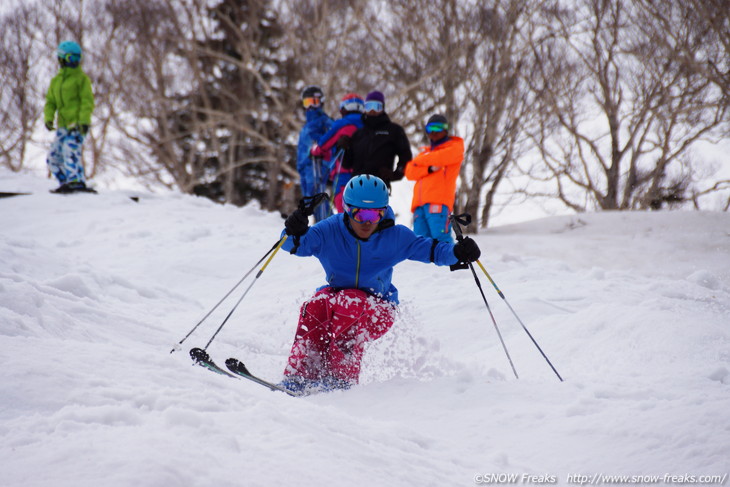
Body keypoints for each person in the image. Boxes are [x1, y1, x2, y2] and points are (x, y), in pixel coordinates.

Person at [279, 174, 481, 394]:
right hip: (337, 299)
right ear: (347, 209)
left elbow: (432, 250)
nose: (368, 221)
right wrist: (293, 230)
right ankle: (301, 375)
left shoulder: (394, 236)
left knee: (350, 301)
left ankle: (340, 381)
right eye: (361, 213)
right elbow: (295, 245)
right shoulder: (330, 230)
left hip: (378, 310)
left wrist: (457, 252)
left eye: (376, 214)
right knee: (318, 303)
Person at [44, 40, 95, 193]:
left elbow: (87, 102)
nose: (75, 62)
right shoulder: (56, 81)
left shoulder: (82, 79)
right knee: (53, 158)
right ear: (61, 59)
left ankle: (76, 181)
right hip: (62, 125)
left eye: (77, 59)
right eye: (71, 58)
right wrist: (49, 118)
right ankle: (65, 182)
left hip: (78, 124)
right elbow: (50, 102)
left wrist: (84, 121)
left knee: (69, 150)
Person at [405, 114, 464, 243]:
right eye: (430, 128)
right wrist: (428, 169)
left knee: (441, 239)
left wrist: (419, 161)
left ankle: (453, 262)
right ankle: (422, 264)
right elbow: (409, 172)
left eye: (438, 128)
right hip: (419, 204)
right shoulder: (426, 152)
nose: (433, 132)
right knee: (419, 242)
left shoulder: (454, 147)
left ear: (445, 129)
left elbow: (440, 157)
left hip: (438, 202)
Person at [342, 90, 412, 188]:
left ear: (382, 108)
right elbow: (347, 164)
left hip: (379, 186)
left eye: (376, 106)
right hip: (357, 186)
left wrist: (395, 174)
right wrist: (344, 148)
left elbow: (405, 156)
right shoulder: (359, 133)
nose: (372, 110)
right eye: (369, 106)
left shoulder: (394, 130)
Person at [310, 93, 365, 212]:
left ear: (344, 108)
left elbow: (323, 145)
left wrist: (314, 150)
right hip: (367, 175)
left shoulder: (342, 124)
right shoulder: (370, 125)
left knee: (344, 213)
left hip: (344, 175)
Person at [296, 85, 333, 221]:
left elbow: (332, 145)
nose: (311, 107)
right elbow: (301, 150)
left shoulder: (325, 122)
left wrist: (326, 165)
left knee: (320, 202)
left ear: (321, 102)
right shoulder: (306, 127)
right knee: (309, 204)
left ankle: (329, 232)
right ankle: (319, 232)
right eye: (307, 103)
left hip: (318, 169)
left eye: (314, 102)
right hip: (306, 170)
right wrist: (300, 168)